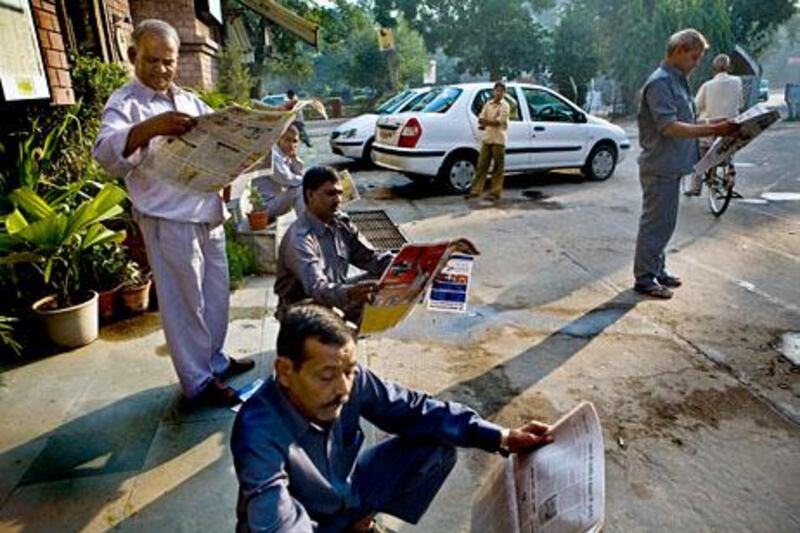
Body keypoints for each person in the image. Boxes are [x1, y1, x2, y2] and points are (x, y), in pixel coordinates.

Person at [231, 304, 554, 532]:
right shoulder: (257, 428)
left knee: (436, 443)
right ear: (285, 372)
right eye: (327, 376)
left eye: (349, 371)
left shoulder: (350, 381)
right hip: (305, 522)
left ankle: (360, 524)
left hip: (345, 496)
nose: (344, 388)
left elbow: (415, 410)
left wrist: (502, 436)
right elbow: (276, 521)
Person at [93, 19, 254, 407]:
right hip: (168, 218)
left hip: (206, 210)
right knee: (184, 303)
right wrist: (151, 128)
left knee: (215, 295)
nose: (162, 70)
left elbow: (217, 140)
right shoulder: (125, 103)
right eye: (153, 61)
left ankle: (214, 360)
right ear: (133, 56)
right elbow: (105, 153)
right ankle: (197, 382)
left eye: (168, 61)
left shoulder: (187, 98)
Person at [633, 29, 739, 299]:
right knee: (656, 223)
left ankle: (657, 268)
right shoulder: (660, 83)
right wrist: (710, 130)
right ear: (679, 50)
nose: (696, 63)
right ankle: (645, 278)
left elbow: (687, 120)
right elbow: (668, 127)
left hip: (671, 165)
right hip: (660, 165)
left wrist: (714, 124)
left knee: (664, 223)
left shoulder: (677, 81)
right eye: (694, 57)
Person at [274, 166, 392, 323]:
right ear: (310, 195)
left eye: (339, 193)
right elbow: (317, 289)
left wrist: (410, 265)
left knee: (385, 277)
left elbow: (371, 257)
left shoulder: (341, 223)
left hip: (334, 294)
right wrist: (350, 293)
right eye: (330, 193)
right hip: (303, 311)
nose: (337, 200)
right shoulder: (300, 238)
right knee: (329, 313)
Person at [685, 53, 744, 195]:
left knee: (698, 155)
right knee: (728, 151)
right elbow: (740, 103)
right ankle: (729, 174)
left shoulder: (707, 85)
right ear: (728, 67)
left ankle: (695, 187)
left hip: (710, 130)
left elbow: (696, 107)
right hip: (731, 129)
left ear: (713, 68)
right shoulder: (737, 82)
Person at [468, 81, 510, 202]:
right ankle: (475, 190)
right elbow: (481, 118)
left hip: (498, 140)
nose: (498, 93)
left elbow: (499, 121)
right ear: (493, 91)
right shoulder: (488, 104)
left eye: (501, 91)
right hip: (487, 138)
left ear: (504, 93)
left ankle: (495, 192)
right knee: (481, 166)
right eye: (497, 90)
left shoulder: (505, 106)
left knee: (498, 168)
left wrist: (486, 122)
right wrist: (486, 122)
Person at [252, 125, 305, 218]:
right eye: (287, 140)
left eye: (295, 141)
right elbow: (288, 180)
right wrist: (310, 179)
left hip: (276, 202)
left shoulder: (284, 155)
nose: (292, 144)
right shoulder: (272, 155)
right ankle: (306, 224)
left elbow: (297, 176)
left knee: (304, 188)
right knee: (300, 190)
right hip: (265, 207)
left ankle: (311, 221)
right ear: (279, 140)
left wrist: (295, 160)